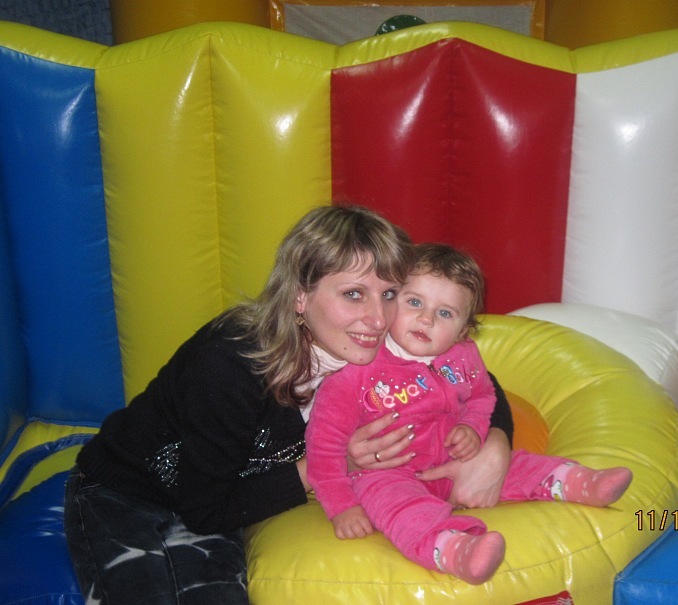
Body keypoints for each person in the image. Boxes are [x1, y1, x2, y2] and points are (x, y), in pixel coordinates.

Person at [63, 206, 515, 605]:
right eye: (353, 294)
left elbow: (476, 384)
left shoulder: (378, 344)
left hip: (228, 499)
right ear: (301, 295)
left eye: (390, 293)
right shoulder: (230, 364)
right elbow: (204, 510)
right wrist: (332, 464)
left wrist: (495, 445)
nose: (377, 319)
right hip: (128, 490)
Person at [306, 243, 633, 585]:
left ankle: (583, 482)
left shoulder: (462, 355)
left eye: (445, 313)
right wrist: (342, 507)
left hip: (456, 461)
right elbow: (323, 448)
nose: (426, 319)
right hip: (388, 476)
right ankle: (456, 549)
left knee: (521, 465)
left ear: (464, 329)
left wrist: (473, 428)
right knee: (403, 511)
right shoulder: (355, 373)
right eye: (414, 302)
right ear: (391, 303)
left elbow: (483, 395)